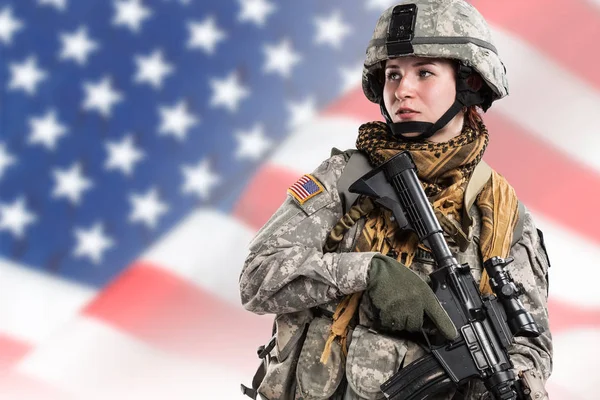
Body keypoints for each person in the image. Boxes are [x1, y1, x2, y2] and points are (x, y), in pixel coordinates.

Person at [239, 0, 552, 398]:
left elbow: (533, 343)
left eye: (424, 73)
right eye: (392, 75)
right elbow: (257, 279)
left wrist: (520, 381)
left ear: (470, 83)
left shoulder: (501, 214)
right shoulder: (347, 178)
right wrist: (367, 271)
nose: (402, 90)